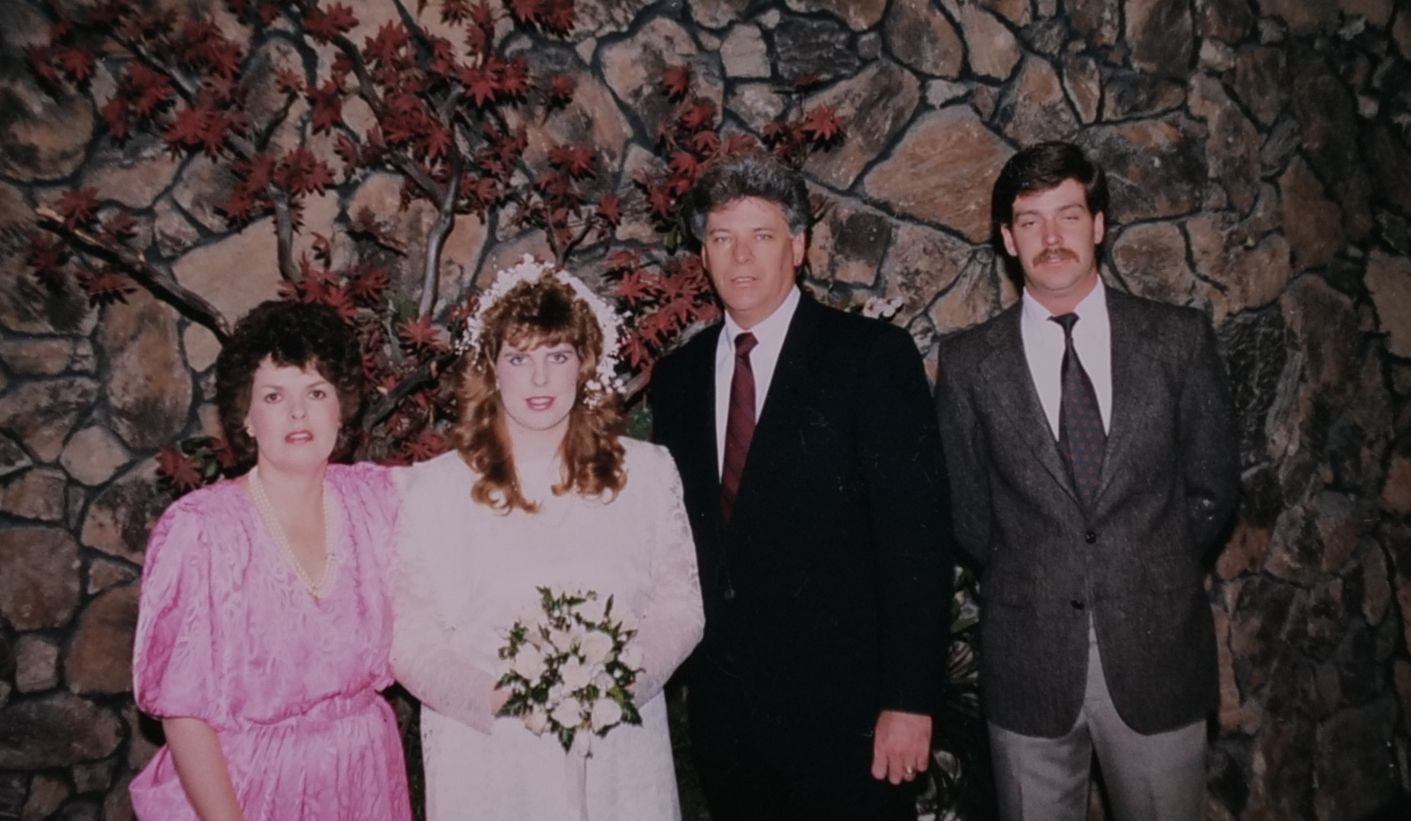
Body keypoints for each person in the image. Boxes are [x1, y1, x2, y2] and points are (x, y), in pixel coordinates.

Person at [934, 141, 1240, 820]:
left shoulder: (1178, 340)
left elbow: (1213, 485)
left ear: (1098, 224)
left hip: (1157, 652)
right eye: (1030, 220)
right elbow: (967, 513)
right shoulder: (968, 364)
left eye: (1068, 215)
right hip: (1029, 663)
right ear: (1007, 238)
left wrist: (1146, 560)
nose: (1052, 238)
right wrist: (1041, 568)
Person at [650, 150, 953, 821]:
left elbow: (917, 542)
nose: (740, 257)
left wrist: (909, 701)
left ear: (797, 246)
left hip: (850, 718)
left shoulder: (869, 358)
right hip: (728, 722)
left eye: (760, 236)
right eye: (721, 239)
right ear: (703, 255)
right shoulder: (677, 379)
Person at [391, 255, 704, 820]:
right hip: (493, 757)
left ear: (584, 365)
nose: (539, 379)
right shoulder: (433, 491)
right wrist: (503, 698)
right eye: (519, 357)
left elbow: (679, 608)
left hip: (617, 745)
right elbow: (412, 642)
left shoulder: (647, 474)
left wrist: (618, 683)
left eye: (557, 356)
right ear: (492, 368)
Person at [130, 300, 411, 819]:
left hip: (364, 778)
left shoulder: (378, 501)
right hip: (246, 789)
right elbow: (184, 713)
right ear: (247, 416)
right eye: (275, 395)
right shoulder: (201, 531)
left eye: (316, 392)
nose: (298, 412)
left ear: (341, 408)